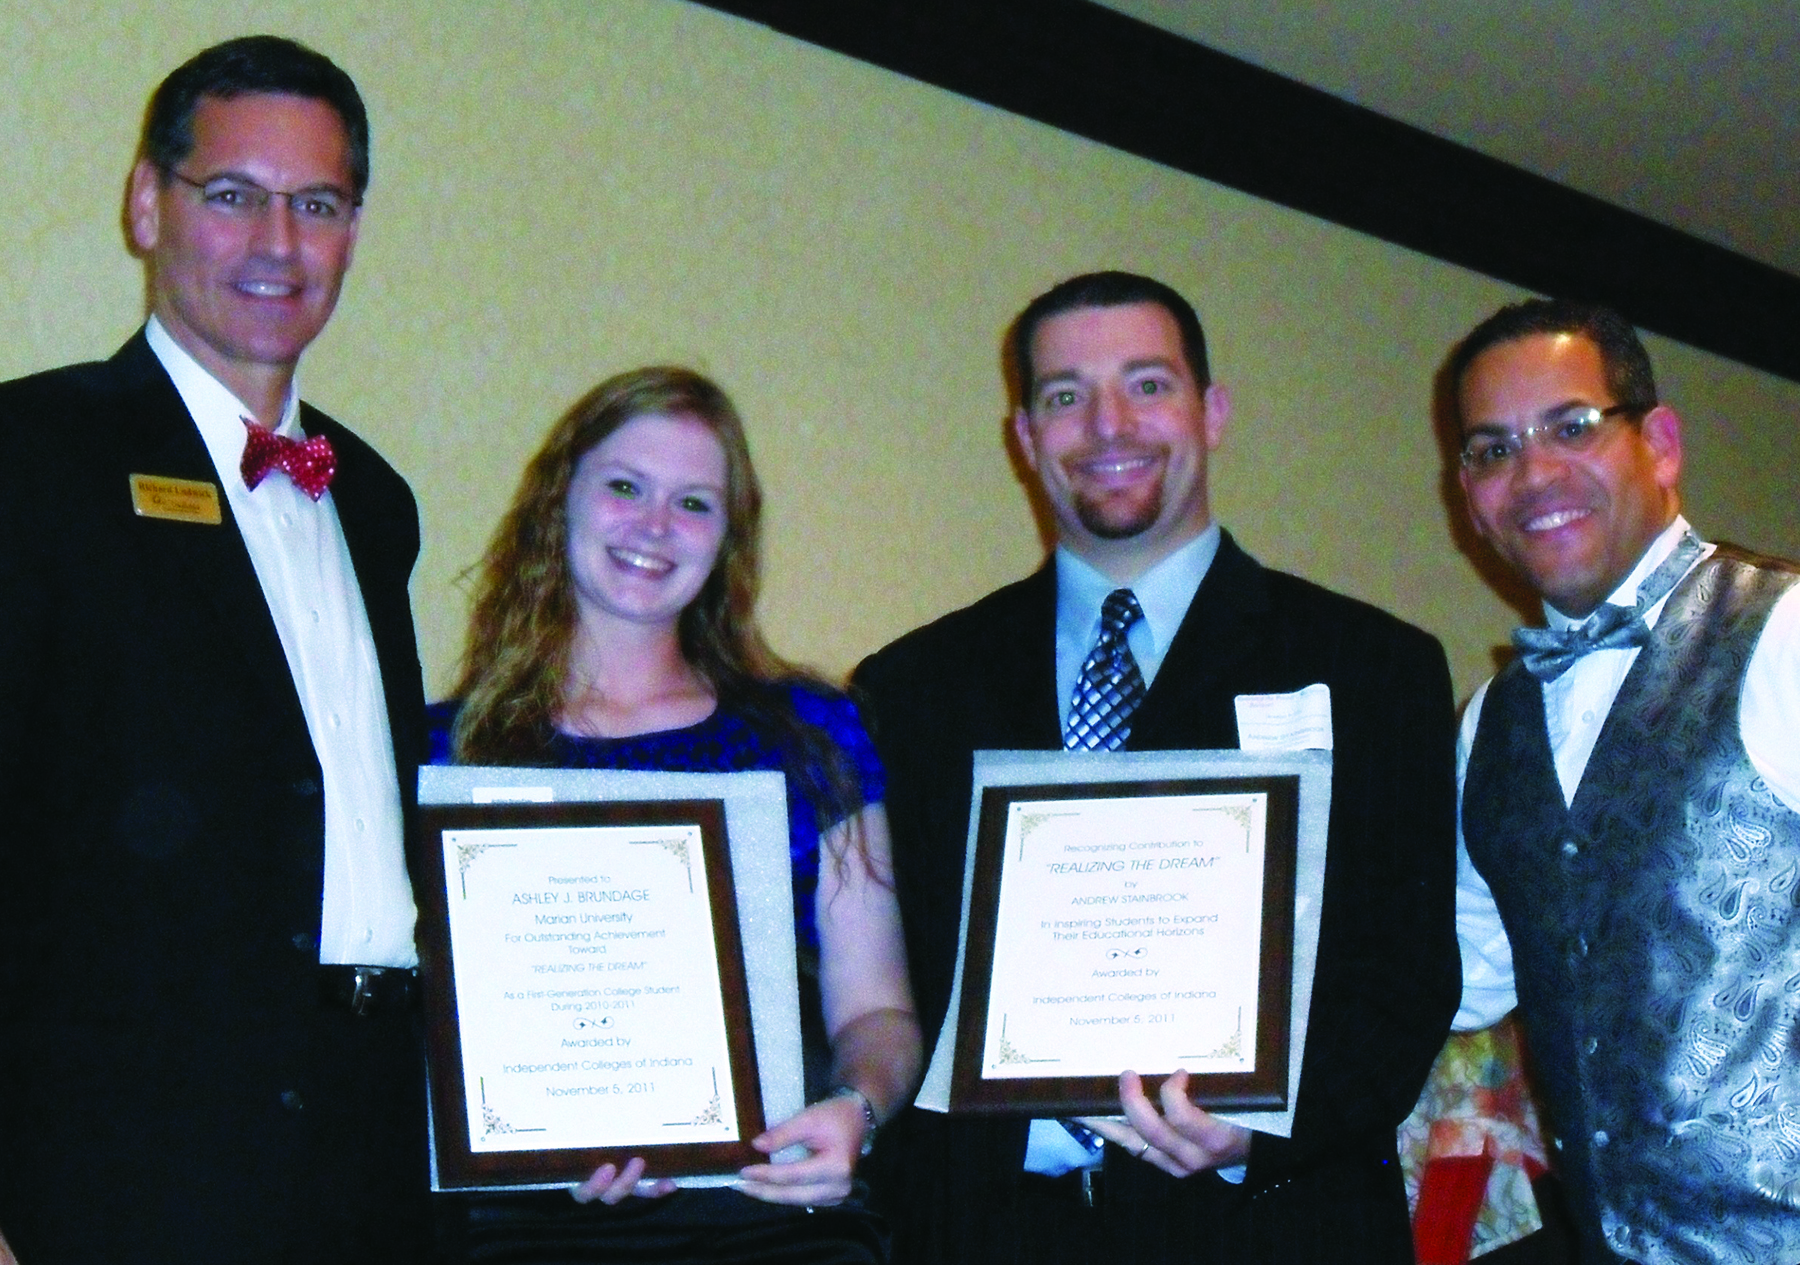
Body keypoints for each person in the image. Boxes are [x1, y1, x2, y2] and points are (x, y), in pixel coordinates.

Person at [852, 271, 1461, 1263]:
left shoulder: (1370, 667)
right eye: (1067, 396)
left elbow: (1407, 970)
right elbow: (884, 987)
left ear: (1212, 411)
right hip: (983, 1235)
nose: (1109, 424)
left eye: (1147, 384)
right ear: (1025, 437)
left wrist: (1261, 1127)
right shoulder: (908, 688)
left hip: (1271, 1232)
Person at [0, 35, 433, 1263]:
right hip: (116, 1167)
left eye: (318, 205)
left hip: (366, 1151)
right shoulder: (33, 456)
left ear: (354, 231)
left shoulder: (375, 499)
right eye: (234, 194)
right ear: (148, 203)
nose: (278, 244)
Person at [432, 366, 921, 1263]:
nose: (654, 526)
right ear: (558, 500)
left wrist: (858, 1109)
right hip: (528, 1230)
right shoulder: (448, 755)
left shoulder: (812, 734)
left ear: (729, 538)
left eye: (694, 503)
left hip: (770, 1215)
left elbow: (878, 1010)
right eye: (625, 487)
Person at [1447, 298, 1800, 1265]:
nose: (1534, 475)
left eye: (1571, 427)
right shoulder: (1489, 724)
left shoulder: (1785, 631)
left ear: (1662, 444)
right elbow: (1453, 976)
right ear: (1469, 496)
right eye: (1493, 450)